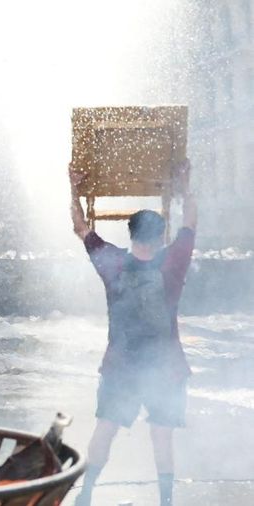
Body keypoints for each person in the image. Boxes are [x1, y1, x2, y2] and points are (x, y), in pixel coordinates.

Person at [70, 162, 197, 506]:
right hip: (166, 366)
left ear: (131, 234)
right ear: (159, 237)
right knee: (162, 437)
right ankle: (166, 503)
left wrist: (73, 185)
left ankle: (86, 494)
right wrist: (184, 184)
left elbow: (79, 227)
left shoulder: (110, 262)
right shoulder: (174, 261)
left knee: (105, 430)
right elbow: (190, 222)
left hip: (121, 365)